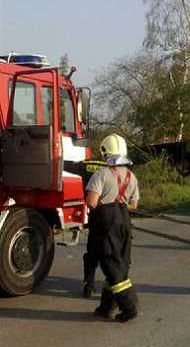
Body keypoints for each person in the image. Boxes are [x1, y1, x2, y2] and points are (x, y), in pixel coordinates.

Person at [85, 133, 141, 322]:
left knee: (111, 266)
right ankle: (106, 308)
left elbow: (92, 203)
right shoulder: (131, 176)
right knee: (119, 263)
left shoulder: (100, 174)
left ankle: (129, 307)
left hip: (106, 222)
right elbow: (134, 205)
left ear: (105, 152)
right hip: (124, 221)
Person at [64, 159, 107, 297]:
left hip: (95, 215)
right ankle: (112, 289)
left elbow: (68, 165)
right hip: (114, 215)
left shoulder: (87, 164)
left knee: (92, 250)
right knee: (114, 254)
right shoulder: (119, 167)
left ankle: (88, 286)